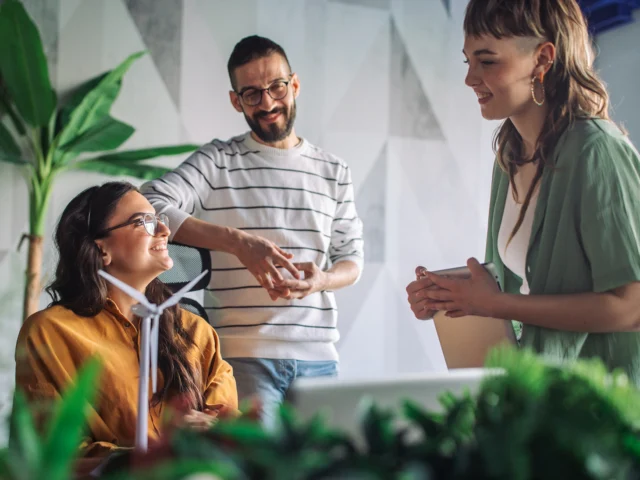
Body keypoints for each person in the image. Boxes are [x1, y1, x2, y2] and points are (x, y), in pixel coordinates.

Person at [406, 0, 640, 383]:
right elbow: (517, 289)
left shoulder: (598, 150)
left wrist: (493, 304)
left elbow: (631, 309)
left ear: (542, 59)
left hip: (598, 412)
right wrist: (451, 297)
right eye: (468, 62)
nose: (470, 78)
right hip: (537, 400)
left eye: (488, 61)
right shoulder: (511, 153)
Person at [140, 35, 364, 426]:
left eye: (276, 86)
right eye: (251, 94)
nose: (268, 103)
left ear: (294, 84)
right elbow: (151, 203)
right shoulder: (217, 161)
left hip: (320, 358)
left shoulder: (335, 171)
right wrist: (237, 242)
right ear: (236, 101)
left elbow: (353, 260)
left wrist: (322, 280)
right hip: (242, 358)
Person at [15, 181, 238, 463]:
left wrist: (214, 431)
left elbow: (232, 426)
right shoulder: (50, 333)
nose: (164, 231)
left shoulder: (197, 332)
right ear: (101, 249)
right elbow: (50, 450)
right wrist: (149, 459)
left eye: (159, 219)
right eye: (143, 222)